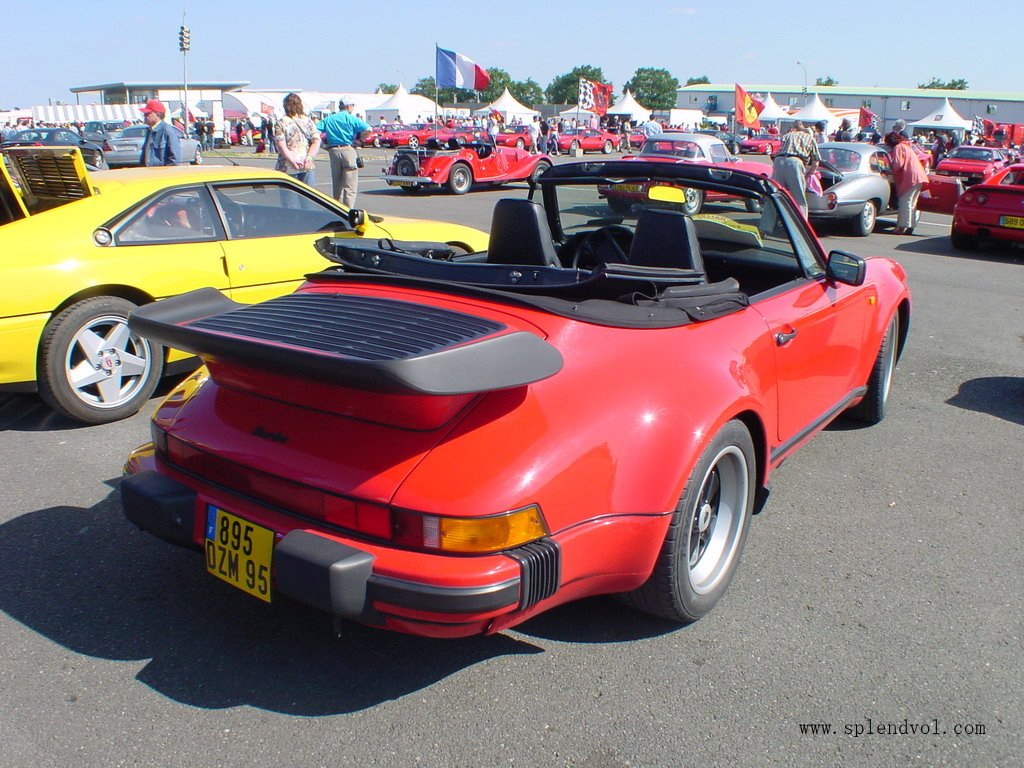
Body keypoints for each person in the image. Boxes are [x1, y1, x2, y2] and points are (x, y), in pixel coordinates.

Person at [318, 97, 371, 207]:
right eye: (352, 106)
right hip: (348, 149)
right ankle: (348, 211)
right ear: (349, 106)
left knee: (337, 184)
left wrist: (323, 145)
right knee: (350, 186)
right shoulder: (351, 118)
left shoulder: (329, 119)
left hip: (333, 150)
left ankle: (337, 208)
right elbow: (368, 129)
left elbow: (315, 130)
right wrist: (360, 141)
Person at [772, 120, 821, 218]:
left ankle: (766, 224)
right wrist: (808, 174)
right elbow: (816, 161)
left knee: (774, 195)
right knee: (799, 199)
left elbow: (777, 152)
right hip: (795, 162)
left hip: (778, 161)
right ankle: (801, 224)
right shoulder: (809, 137)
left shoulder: (787, 136)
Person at [885, 131, 928, 236]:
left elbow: (898, 165)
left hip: (910, 177)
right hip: (919, 176)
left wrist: (889, 170)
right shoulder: (906, 146)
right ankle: (910, 226)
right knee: (912, 203)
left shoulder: (898, 148)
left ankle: (901, 227)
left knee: (905, 202)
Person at [273, 93, 320, 186]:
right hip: (306, 164)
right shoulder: (308, 121)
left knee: (289, 194)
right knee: (308, 193)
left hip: (287, 165)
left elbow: (281, 145)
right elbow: (316, 141)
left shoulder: (281, 122)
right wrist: (309, 158)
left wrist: (292, 161)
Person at [138, 99, 182, 166]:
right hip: (148, 172)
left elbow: (175, 159)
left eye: (147, 114)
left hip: (162, 172)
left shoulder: (167, 130)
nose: (144, 116)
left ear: (157, 115)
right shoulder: (149, 131)